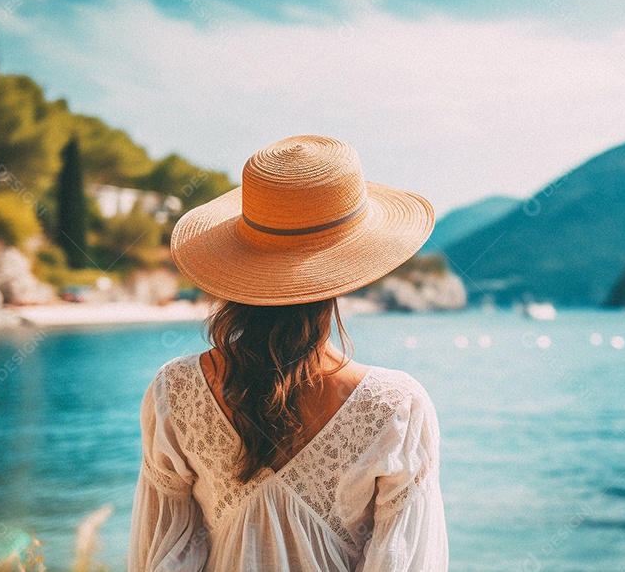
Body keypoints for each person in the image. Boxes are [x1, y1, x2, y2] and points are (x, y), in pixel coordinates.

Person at [128, 135, 448, 571]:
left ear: (239, 262)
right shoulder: (397, 407)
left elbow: (162, 554)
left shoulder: (176, 391)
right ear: (350, 269)